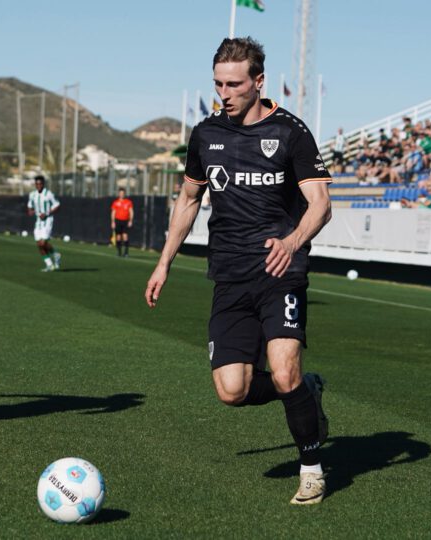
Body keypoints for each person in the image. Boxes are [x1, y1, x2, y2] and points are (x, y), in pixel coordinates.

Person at [145, 37, 332, 505]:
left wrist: (291, 242)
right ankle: (308, 392)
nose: (224, 93)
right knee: (232, 391)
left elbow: (321, 204)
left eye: (233, 84)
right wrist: (164, 262)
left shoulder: (291, 132)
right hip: (229, 275)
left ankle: (311, 468)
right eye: (217, 84)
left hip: (280, 270)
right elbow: (188, 200)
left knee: (283, 369)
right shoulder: (206, 135)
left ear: (258, 82)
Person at [27, 175, 61, 271]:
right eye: (37, 184)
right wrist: (30, 211)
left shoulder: (48, 194)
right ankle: (49, 264)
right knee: (39, 244)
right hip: (38, 222)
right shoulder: (32, 195)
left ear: (43, 184)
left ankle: (55, 254)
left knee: (43, 243)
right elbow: (29, 206)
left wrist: (47, 213)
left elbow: (57, 205)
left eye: (40, 184)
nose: (39, 185)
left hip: (47, 221)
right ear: (35, 184)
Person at [110, 187, 134, 257]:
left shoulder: (128, 202)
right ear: (119, 194)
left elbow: (131, 212)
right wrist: (113, 222)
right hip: (118, 221)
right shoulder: (115, 202)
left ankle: (126, 252)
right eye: (120, 193)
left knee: (125, 236)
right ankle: (119, 252)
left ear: (124, 194)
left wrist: (130, 220)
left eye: (123, 193)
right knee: (118, 237)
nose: (121, 194)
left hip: (125, 221)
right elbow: (113, 212)